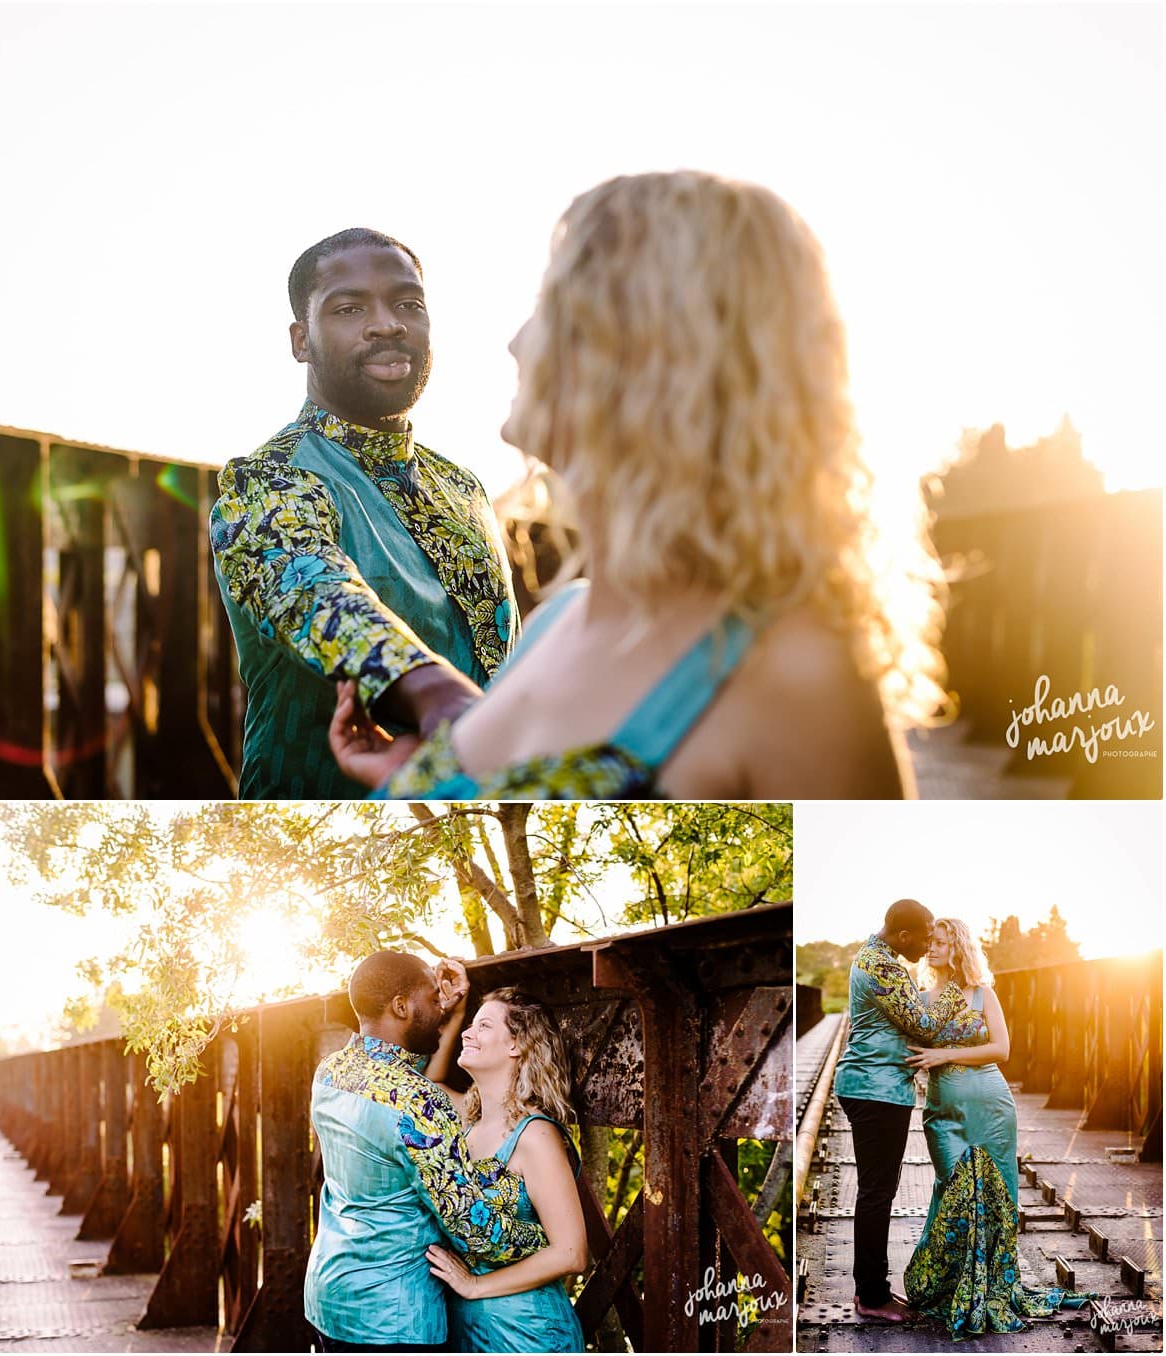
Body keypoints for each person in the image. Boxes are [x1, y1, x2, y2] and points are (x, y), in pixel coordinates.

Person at [327, 170, 949, 801]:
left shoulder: (799, 679)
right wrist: (423, 782)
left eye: (553, 308)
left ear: (651, 352)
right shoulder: (557, 618)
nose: (515, 342)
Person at [210, 228, 520, 799]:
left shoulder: (463, 486)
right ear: (301, 341)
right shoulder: (267, 480)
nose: (387, 324)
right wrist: (439, 695)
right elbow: (317, 594)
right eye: (350, 308)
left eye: (408, 304)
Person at [304, 953, 547, 1353]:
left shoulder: (330, 1071)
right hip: (393, 1319)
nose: (442, 1007)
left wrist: (442, 1013)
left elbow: (392, 1072)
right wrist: (550, 1244)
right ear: (401, 1006)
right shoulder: (419, 1103)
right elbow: (473, 1229)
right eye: (433, 999)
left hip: (329, 1295)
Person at [902, 919, 1093, 1337]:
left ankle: (990, 1286)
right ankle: (952, 1283)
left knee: (994, 1195)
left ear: (959, 949)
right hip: (944, 1112)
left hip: (991, 1105)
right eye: (929, 942)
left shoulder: (981, 993)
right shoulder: (920, 998)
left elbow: (1001, 1049)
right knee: (954, 1193)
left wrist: (940, 1054)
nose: (931, 948)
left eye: (940, 943)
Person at [832, 899, 990, 1324]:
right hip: (875, 1088)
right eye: (923, 938)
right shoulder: (881, 966)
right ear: (903, 936)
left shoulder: (876, 956)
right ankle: (870, 1295)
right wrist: (957, 986)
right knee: (877, 1193)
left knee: (877, 1190)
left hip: (877, 1086)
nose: (925, 947)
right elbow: (922, 1024)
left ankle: (874, 1289)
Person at [421, 987, 587, 1353]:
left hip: (527, 1334)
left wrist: (475, 1286)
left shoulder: (535, 1135)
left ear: (517, 1045)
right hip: (469, 1332)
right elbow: (428, 1088)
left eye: (483, 1026)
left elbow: (572, 1251)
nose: (468, 1033)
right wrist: (454, 1015)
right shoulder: (468, 1121)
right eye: (469, 1026)